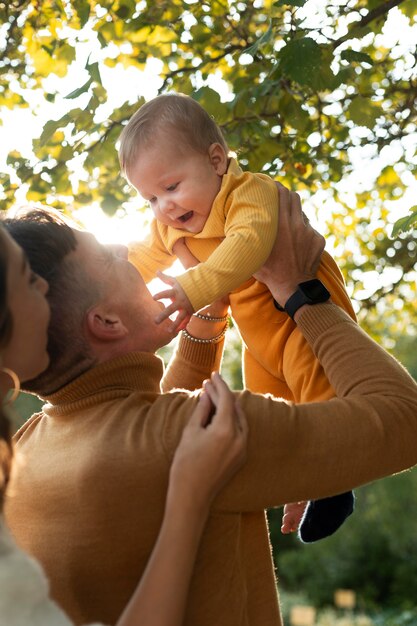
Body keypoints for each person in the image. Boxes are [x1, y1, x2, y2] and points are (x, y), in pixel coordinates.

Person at [4, 187, 417, 626]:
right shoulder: (203, 433)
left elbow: (141, 422)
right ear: (107, 323)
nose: (126, 248)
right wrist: (298, 292)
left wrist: (208, 313)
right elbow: (403, 418)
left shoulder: (24, 451)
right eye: (110, 260)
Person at [118, 92, 355, 542]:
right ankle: (301, 478)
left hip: (301, 314)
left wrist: (192, 288)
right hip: (258, 336)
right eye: (149, 198)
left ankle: (335, 485)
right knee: (269, 414)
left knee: (320, 389)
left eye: (170, 187)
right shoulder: (168, 226)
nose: (164, 207)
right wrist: (106, 288)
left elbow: (247, 247)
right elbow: (137, 262)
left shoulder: (249, 193)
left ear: (215, 160)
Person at [0, 222, 248, 625]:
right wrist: (300, 288)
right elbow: (389, 414)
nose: (46, 291)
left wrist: (204, 325)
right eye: (29, 281)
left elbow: (146, 435)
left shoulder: (25, 446)